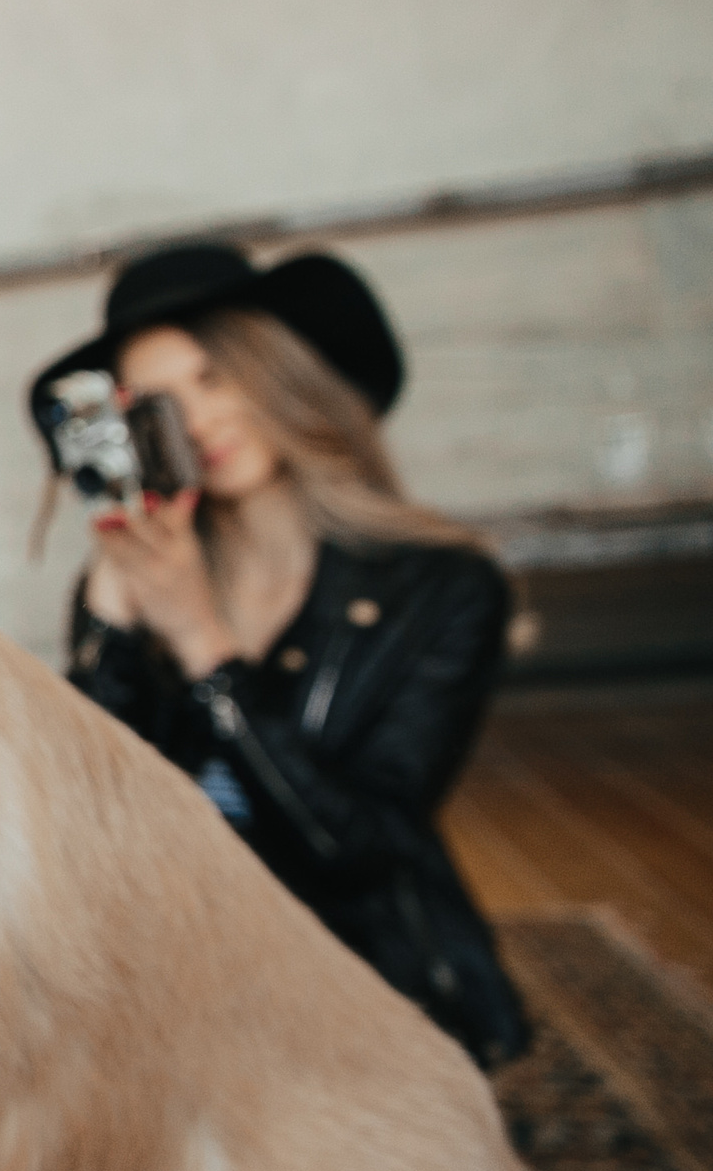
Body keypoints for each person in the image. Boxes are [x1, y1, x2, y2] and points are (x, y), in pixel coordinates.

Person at [31, 242, 527, 1068]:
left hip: (370, 984)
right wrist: (111, 619)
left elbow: (357, 848)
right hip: (183, 983)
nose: (197, 420)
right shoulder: (138, 585)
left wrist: (203, 646)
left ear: (282, 374)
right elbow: (80, 838)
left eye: (215, 378)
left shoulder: (444, 590)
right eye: (159, 404)